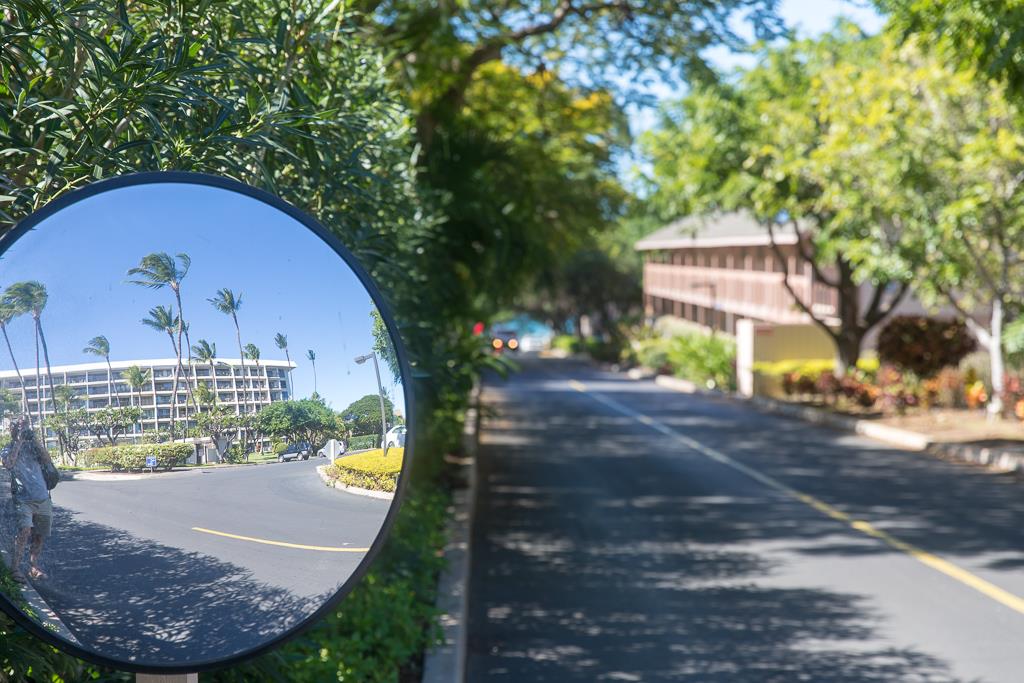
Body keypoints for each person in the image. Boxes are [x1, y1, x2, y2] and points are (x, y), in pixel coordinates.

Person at [2, 416, 53, 583]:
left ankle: (33, 566)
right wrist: (19, 441)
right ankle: (15, 568)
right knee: (25, 531)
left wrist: (34, 440)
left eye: (24, 426)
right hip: (23, 498)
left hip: (42, 497)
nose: (21, 429)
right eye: (17, 427)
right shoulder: (7, 448)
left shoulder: (34, 447)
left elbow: (47, 459)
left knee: (39, 535)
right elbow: (9, 464)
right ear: (12, 430)